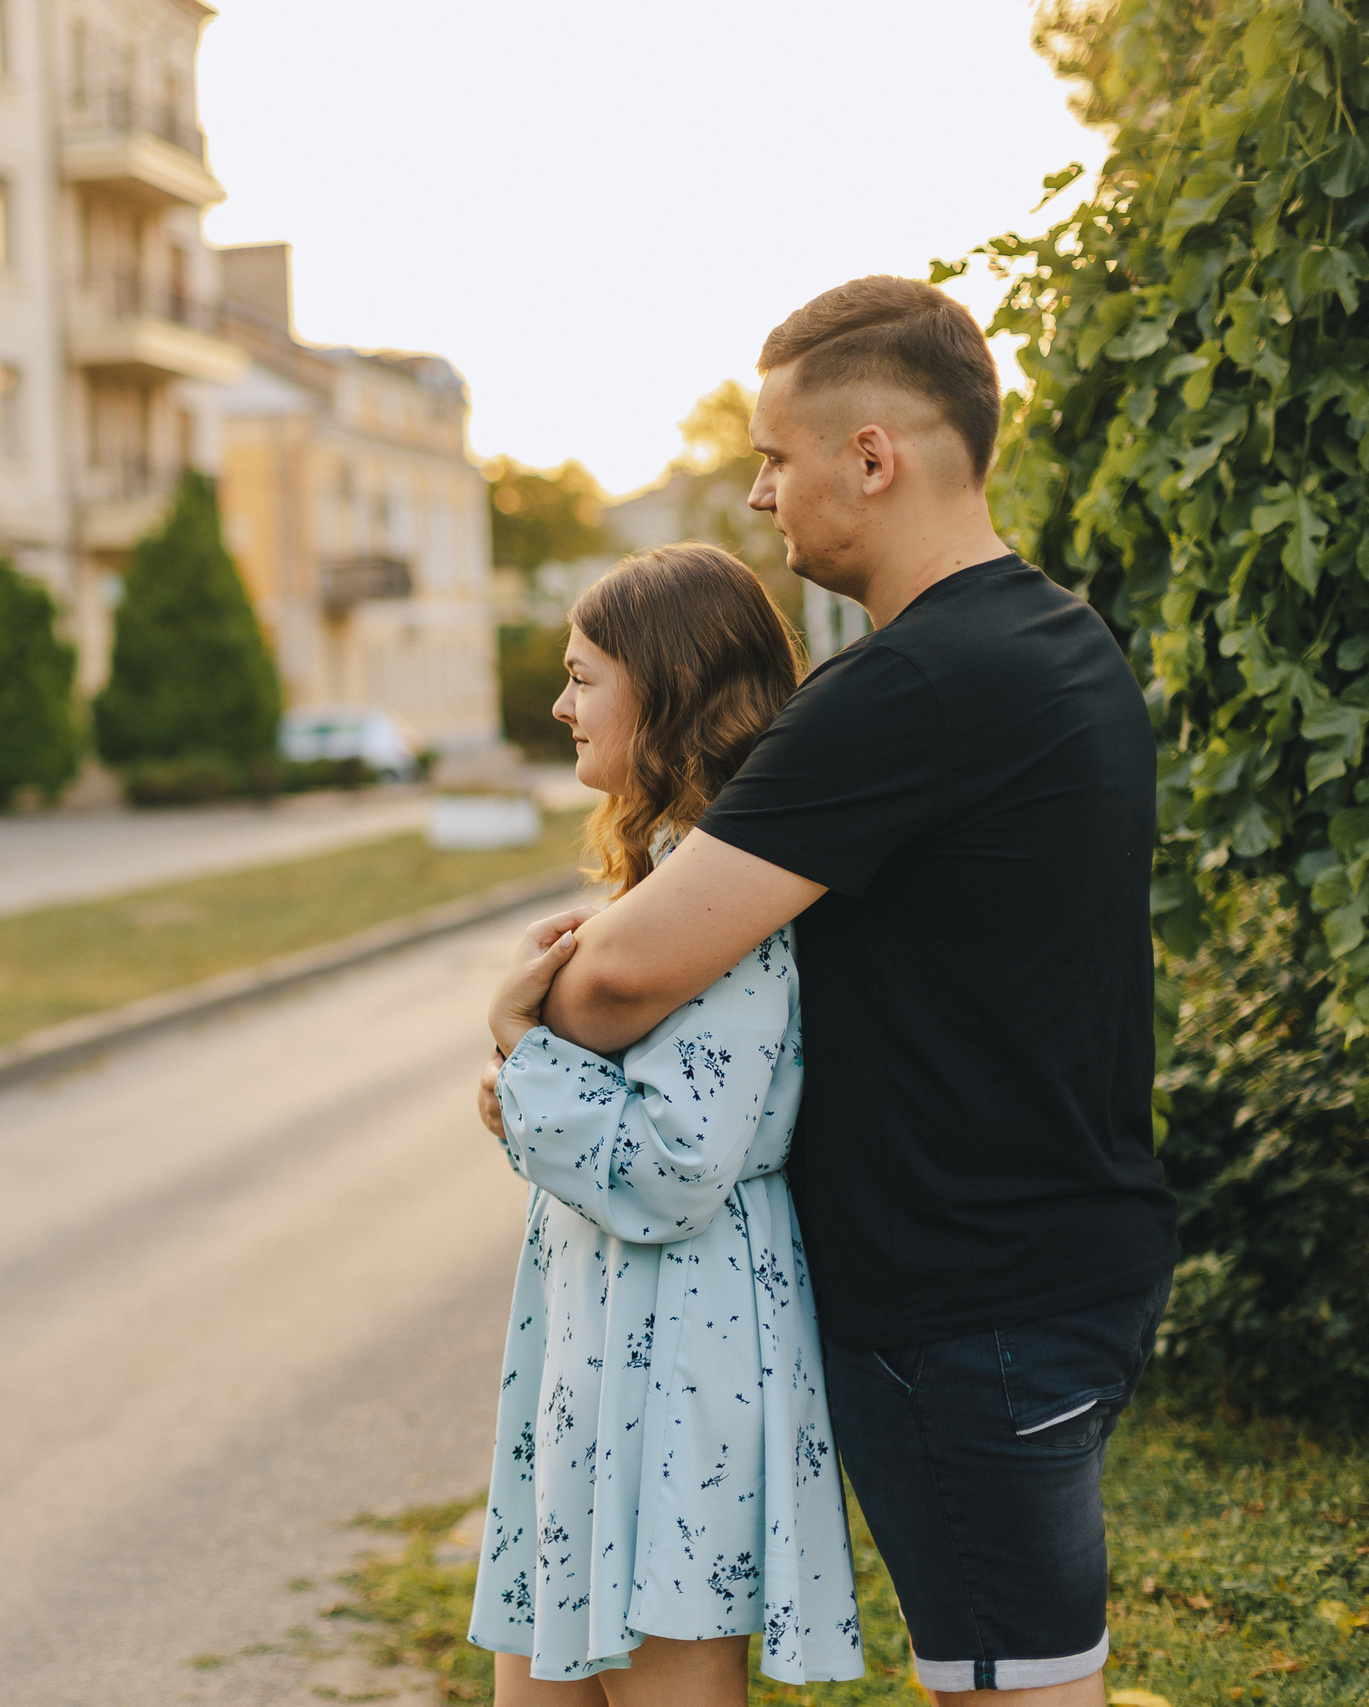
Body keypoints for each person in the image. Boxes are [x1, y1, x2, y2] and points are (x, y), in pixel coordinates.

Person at [489, 276, 1179, 1705]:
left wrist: (519, 1027)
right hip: (1058, 1255)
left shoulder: (909, 689)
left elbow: (621, 978)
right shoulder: (1059, 639)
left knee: (1017, 1687)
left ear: (872, 456)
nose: (760, 495)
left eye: (774, 457)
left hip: (970, 1295)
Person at [467, 544, 865, 1705]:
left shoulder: (726, 895)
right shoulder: (669, 876)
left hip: (683, 1340)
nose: (560, 705)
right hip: (597, 1330)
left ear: (668, 686)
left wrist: (522, 1051)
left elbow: (673, 1164)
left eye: (581, 677)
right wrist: (530, 1075)